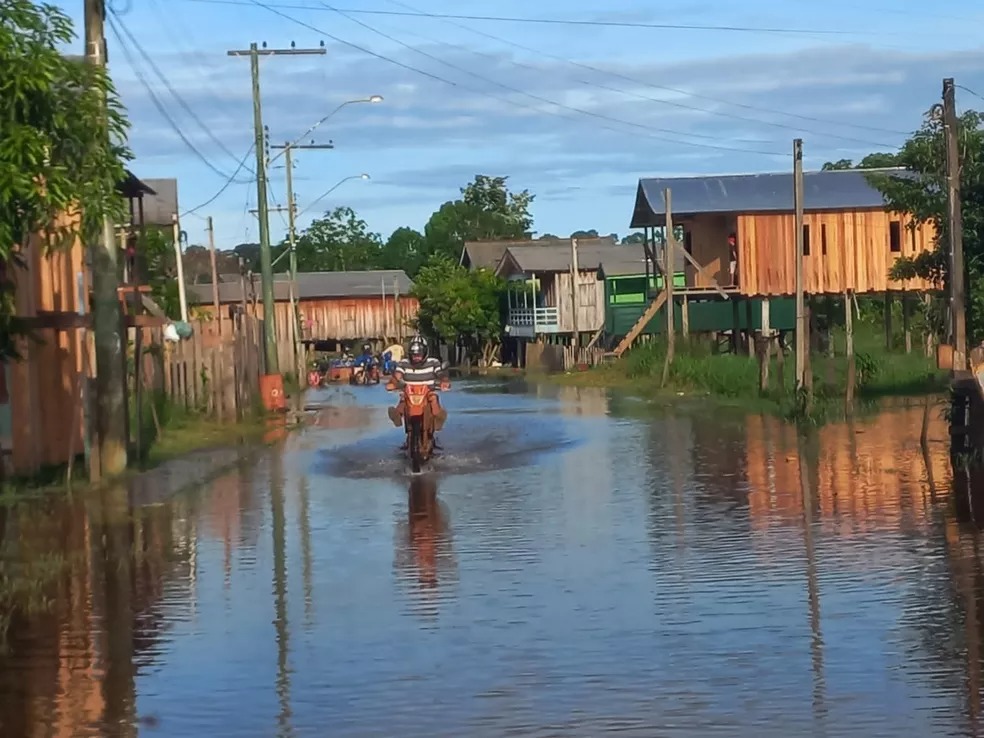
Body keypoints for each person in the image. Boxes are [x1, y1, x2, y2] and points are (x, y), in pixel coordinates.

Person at [387, 335, 449, 444]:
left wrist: (444, 381)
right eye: (414, 355)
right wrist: (392, 383)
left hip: (428, 392)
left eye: (419, 354)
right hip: (409, 393)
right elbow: (397, 376)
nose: (416, 357)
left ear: (425, 353)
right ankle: (397, 415)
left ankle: (437, 418)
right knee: (402, 399)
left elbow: (440, 374)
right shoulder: (403, 363)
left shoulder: (434, 362)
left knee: (434, 398)